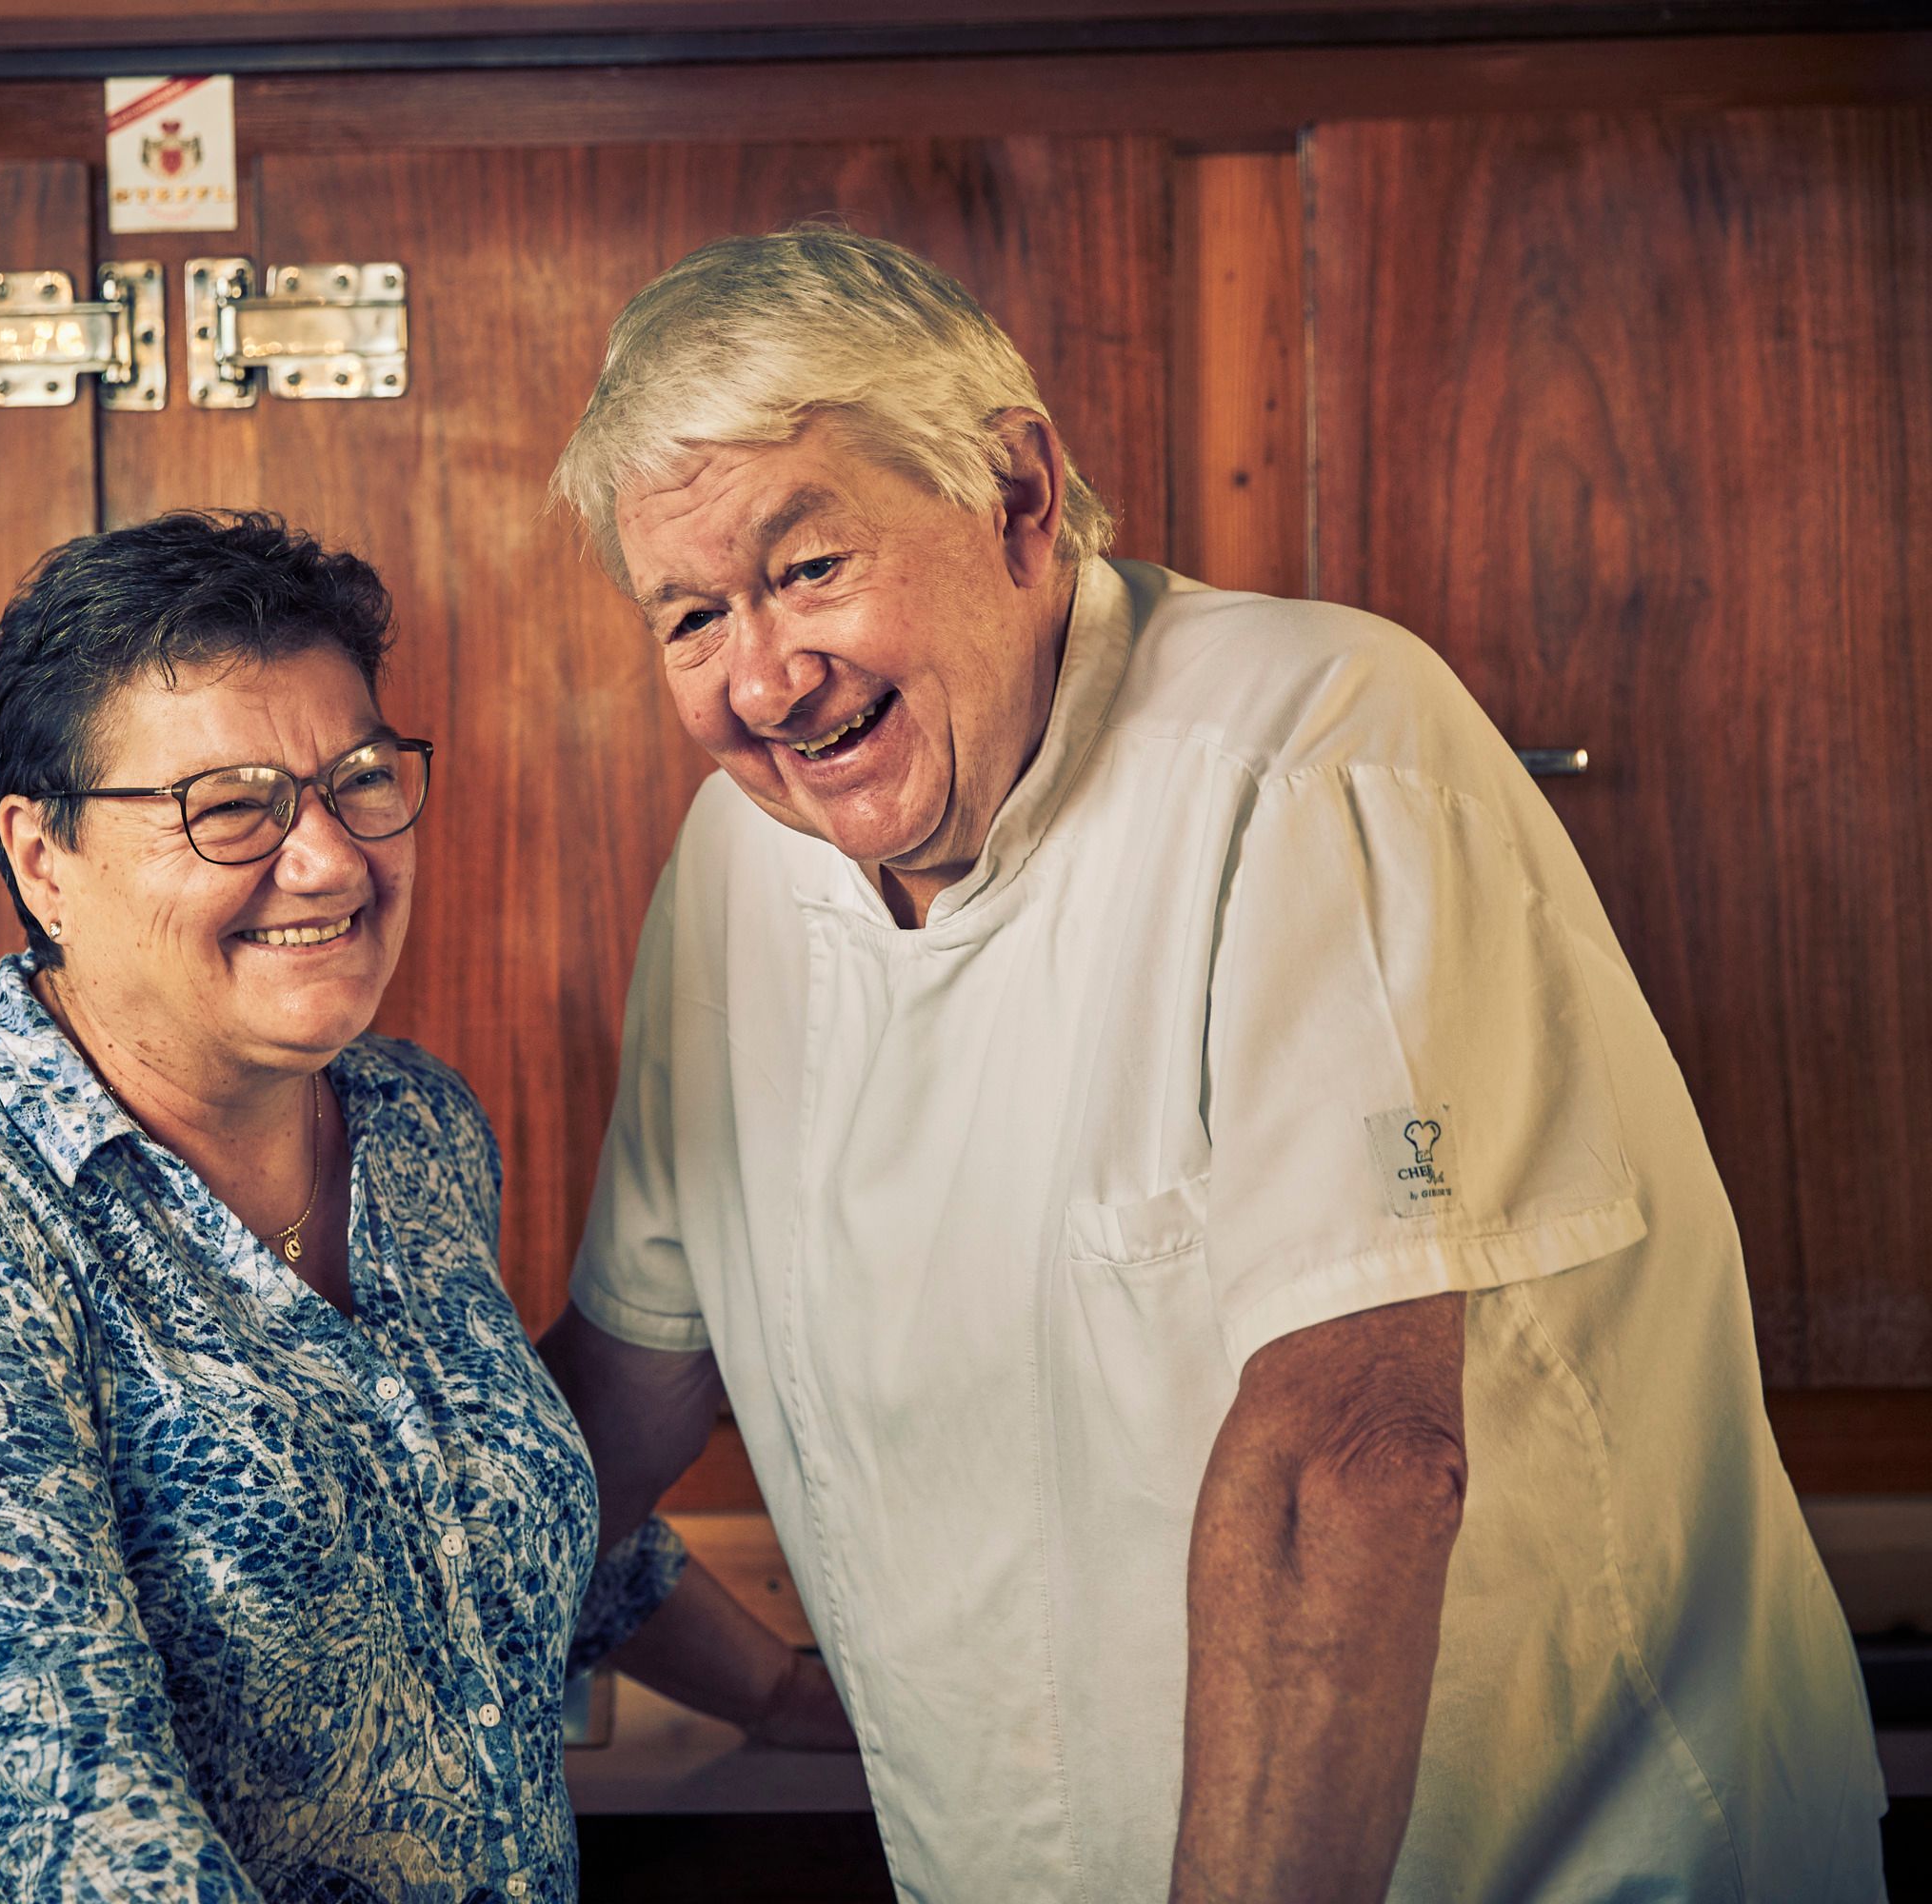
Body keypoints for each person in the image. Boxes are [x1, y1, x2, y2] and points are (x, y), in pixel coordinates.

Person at [537, 228, 1886, 1902]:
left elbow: (1356, 1463)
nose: (764, 677)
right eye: (690, 615)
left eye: (809, 569)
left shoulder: (1313, 748)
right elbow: (635, 1369)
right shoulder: (742, 864)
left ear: (1020, 495)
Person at [0, 510, 832, 1904]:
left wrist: (784, 1699)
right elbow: (64, 1832)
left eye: (358, 780)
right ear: (42, 857)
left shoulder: (411, 1126)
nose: (326, 860)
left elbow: (471, 1504)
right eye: (230, 805)